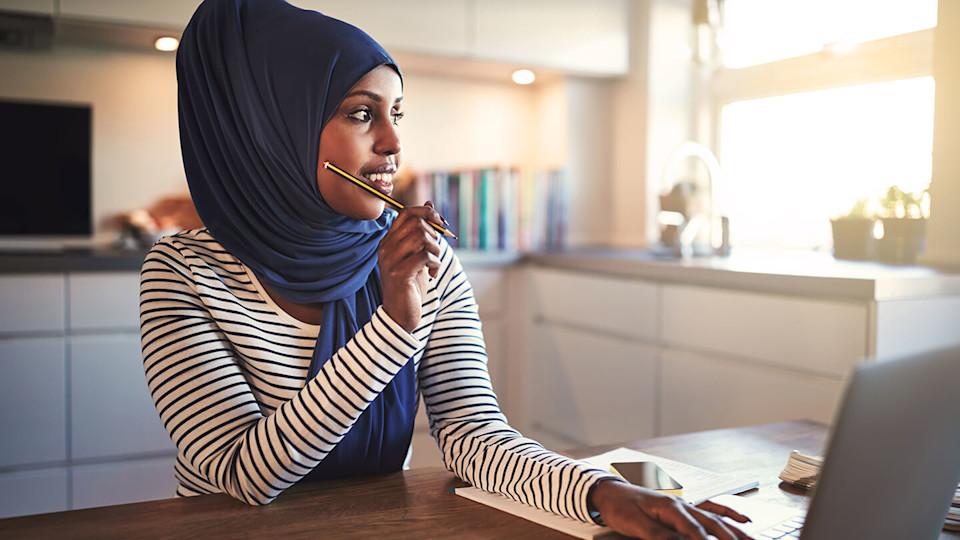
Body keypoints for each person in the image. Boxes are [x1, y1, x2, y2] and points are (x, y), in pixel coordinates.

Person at [140, 1, 753, 538]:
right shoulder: (181, 272)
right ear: (272, 131)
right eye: (360, 114)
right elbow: (245, 476)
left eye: (396, 113)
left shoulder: (422, 259)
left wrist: (597, 494)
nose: (392, 142)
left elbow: (473, 438)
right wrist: (393, 326)